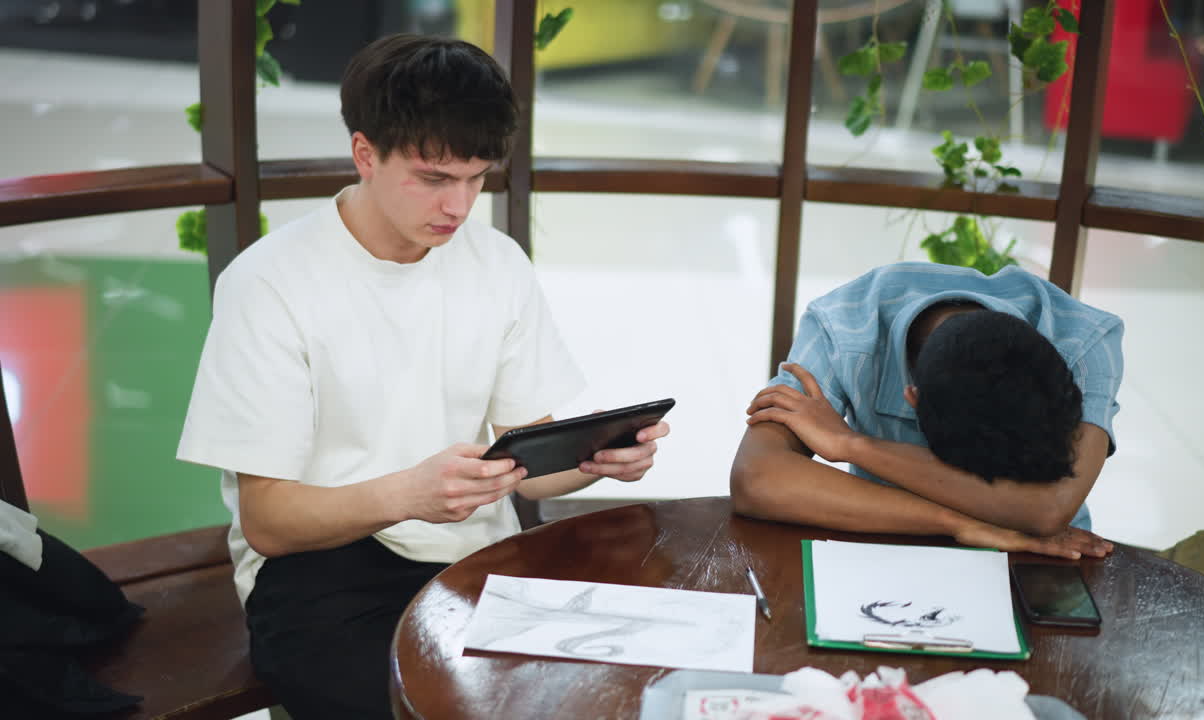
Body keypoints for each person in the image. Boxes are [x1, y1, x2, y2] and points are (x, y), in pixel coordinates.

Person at [176, 35, 668, 719]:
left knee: (598, 688)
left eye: (476, 178)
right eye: (434, 179)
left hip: (469, 555)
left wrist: (595, 459)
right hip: (319, 571)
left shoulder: (495, 263)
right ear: (365, 154)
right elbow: (268, 522)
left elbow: (528, 459)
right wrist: (409, 493)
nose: (458, 207)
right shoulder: (269, 284)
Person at [731, 261, 1121, 560]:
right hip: (888, 547)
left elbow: (1047, 510)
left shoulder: (1083, 343)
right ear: (912, 399)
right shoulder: (846, 325)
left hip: (1045, 555)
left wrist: (852, 444)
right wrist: (960, 523)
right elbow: (757, 480)